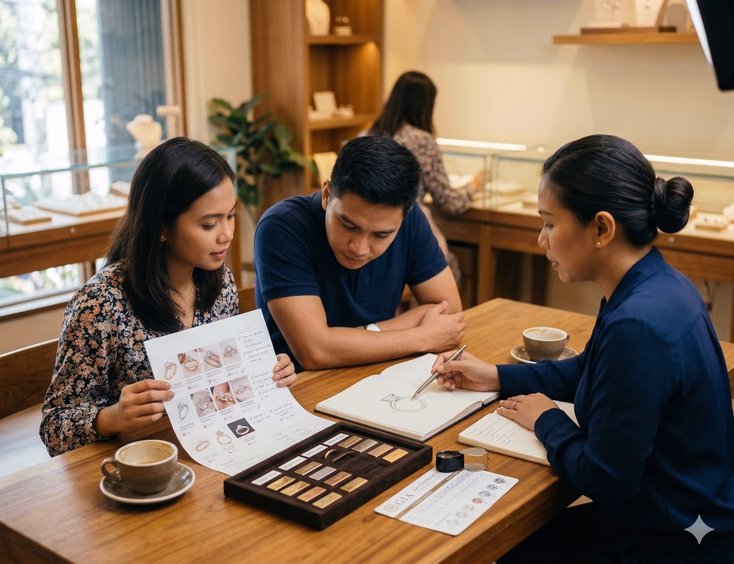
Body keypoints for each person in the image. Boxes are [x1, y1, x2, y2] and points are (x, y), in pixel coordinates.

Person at [432, 134, 734, 563]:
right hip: (680, 517)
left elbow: (607, 479)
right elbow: (591, 370)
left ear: (601, 228)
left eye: (550, 223)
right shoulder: (653, 283)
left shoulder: (637, 325)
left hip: (670, 542)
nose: (542, 239)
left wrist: (548, 421)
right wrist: (496, 376)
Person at [40, 138, 297, 457]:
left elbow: (225, 380)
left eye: (230, 216)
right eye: (209, 224)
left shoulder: (220, 282)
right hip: (138, 465)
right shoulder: (100, 303)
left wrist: (267, 371)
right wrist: (112, 418)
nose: (227, 234)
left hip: (214, 448)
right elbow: (54, 429)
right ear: (160, 227)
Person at [254, 135, 465, 372]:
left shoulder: (410, 218)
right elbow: (314, 352)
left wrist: (365, 335)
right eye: (348, 225)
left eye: (381, 235)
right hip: (302, 386)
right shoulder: (283, 226)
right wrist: (421, 337)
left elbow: (449, 313)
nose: (360, 248)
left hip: (378, 373)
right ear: (326, 194)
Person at [369, 71, 482, 284]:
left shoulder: (365, 135)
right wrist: (474, 186)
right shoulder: (422, 140)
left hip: (369, 235)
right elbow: (449, 201)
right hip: (405, 233)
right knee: (451, 268)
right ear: (426, 104)